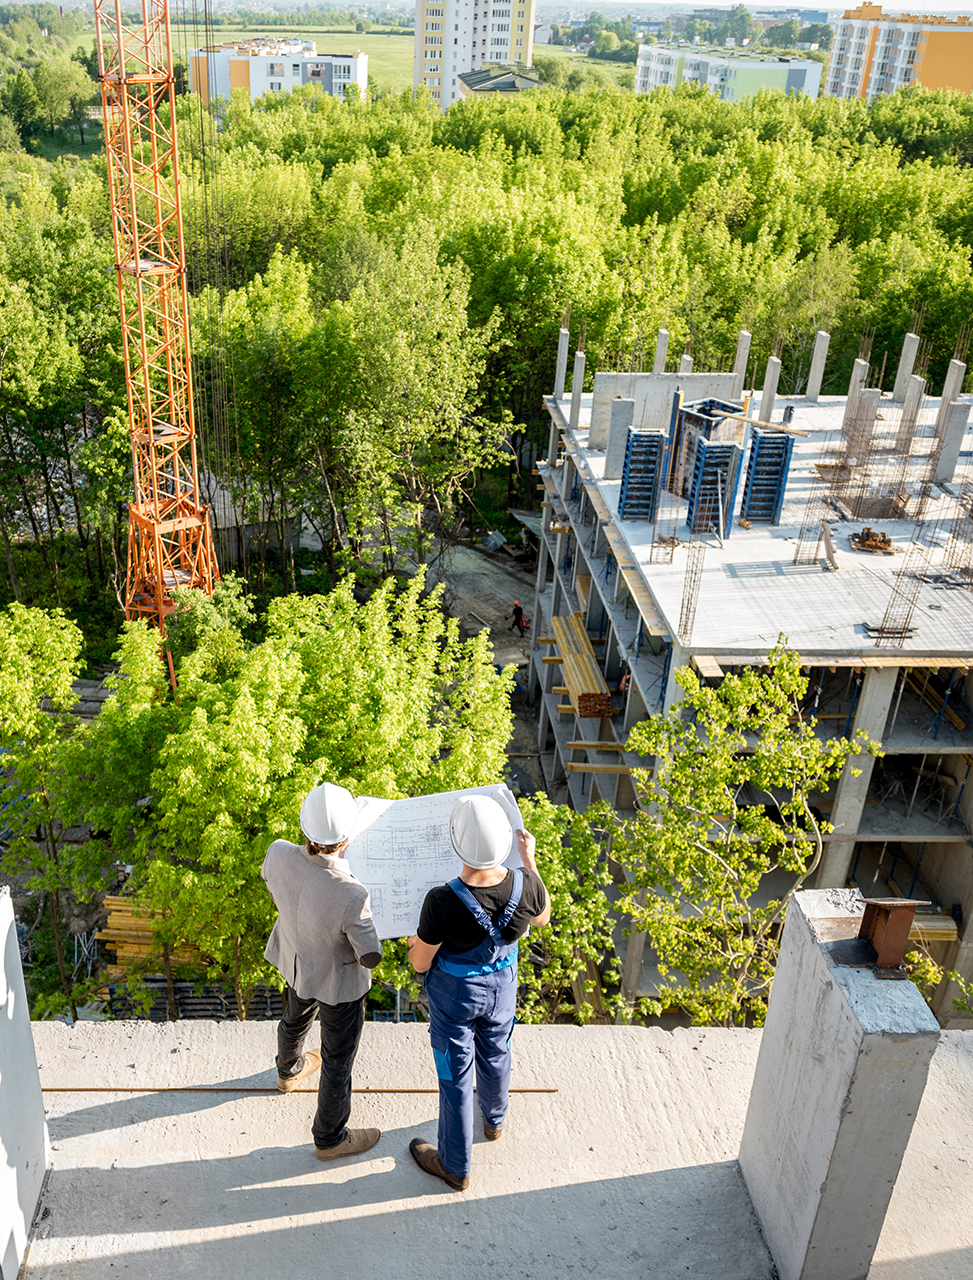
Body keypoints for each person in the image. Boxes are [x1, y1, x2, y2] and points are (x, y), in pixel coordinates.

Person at [407, 795, 551, 1191]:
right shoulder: (526, 883)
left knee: (455, 1073)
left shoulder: (441, 900)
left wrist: (413, 943)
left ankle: (455, 1166)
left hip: (456, 995)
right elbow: (541, 917)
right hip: (502, 988)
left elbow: (421, 963)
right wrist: (530, 860)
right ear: (505, 840)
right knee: (497, 1050)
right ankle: (494, 1121)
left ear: (458, 844)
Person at [261, 782, 383, 1162]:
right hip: (338, 984)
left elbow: (271, 884)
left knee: (294, 1018)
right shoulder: (352, 893)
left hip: (297, 959)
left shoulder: (278, 853)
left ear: (304, 828)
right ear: (346, 838)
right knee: (337, 1058)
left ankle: (288, 1072)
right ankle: (330, 1138)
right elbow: (370, 958)